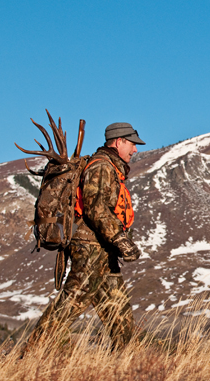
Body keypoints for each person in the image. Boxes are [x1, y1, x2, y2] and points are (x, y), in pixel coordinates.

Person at [27, 122, 146, 350]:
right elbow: (95, 207)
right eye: (132, 144)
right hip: (90, 248)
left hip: (102, 249)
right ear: (118, 141)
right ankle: (33, 354)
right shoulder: (101, 167)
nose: (135, 150)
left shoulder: (111, 167)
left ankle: (129, 362)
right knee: (71, 303)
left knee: (118, 311)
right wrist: (120, 239)